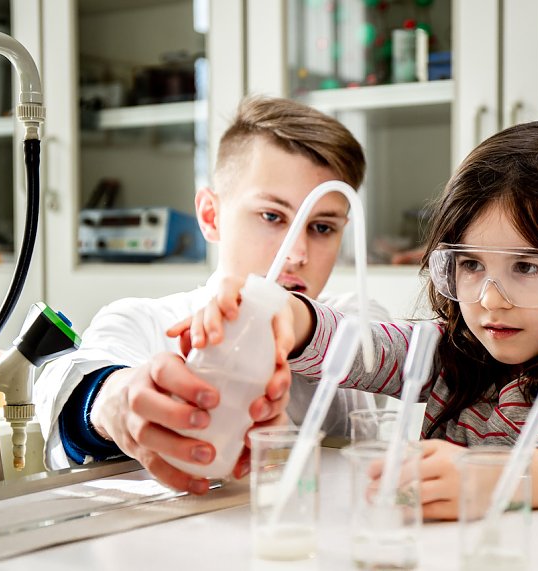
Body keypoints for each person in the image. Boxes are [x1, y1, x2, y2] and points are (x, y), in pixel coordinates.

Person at [186, 120, 538, 518]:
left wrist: (494, 480)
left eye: (526, 266)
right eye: (470, 264)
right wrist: (283, 314)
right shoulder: (443, 353)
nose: (489, 300)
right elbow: (354, 343)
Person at [35, 95, 387, 495]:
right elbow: (75, 383)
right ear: (210, 216)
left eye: (322, 227)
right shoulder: (143, 322)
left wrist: (282, 322)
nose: (297, 254)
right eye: (272, 217)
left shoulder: (352, 322)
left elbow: (373, 349)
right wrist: (114, 400)